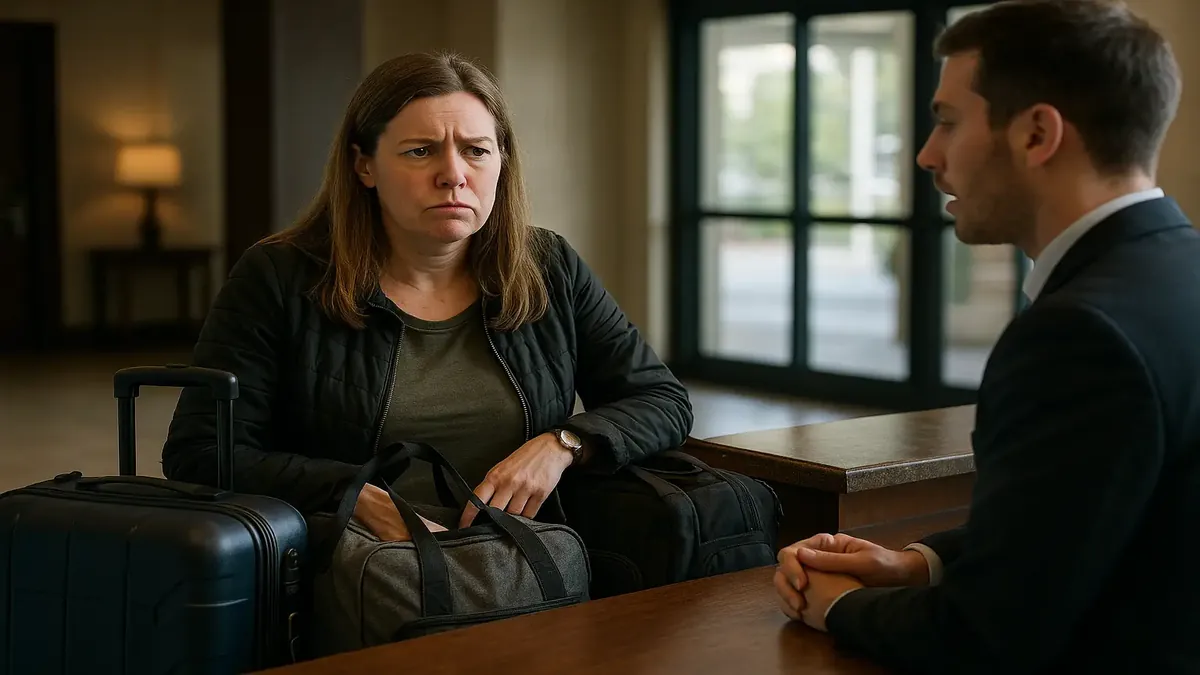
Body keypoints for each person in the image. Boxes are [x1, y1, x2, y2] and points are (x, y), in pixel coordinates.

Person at [774, 1, 1200, 673]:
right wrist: (919, 563)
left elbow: (985, 637)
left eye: (947, 120)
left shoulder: (1076, 335)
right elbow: (1099, 517)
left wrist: (837, 605)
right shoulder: (1180, 271)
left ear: (1037, 134)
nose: (927, 154)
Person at [161, 51, 693, 540]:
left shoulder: (547, 265)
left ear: (501, 162)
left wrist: (564, 444)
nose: (453, 175)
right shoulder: (278, 276)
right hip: (356, 569)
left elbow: (661, 399)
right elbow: (202, 451)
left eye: (476, 151)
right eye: (420, 151)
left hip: (529, 563)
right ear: (364, 166)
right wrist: (353, 497)